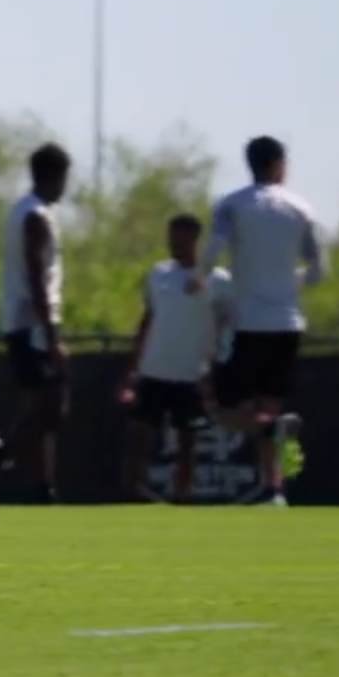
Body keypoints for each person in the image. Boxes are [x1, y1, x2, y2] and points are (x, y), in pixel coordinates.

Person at [190, 135, 324, 507]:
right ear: (279, 164)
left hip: (249, 322)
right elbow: (317, 271)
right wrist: (289, 281)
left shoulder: (232, 205)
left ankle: (270, 437)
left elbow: (214, 250)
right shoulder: (300, 208)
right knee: (270, 403)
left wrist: (202, 277)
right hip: (288, 323)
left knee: (223, 408)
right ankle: (274, 490)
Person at [0, 143, 71, 506]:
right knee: (51, 409)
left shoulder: (22, 210)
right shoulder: (36, 216)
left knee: (40, 411)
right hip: (32, 324)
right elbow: (37, 278)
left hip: (23, 322)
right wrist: (52, 336)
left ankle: (43, 491)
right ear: (55, 176)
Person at [119, 214, 232, 504]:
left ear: (195, 238)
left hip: (190, 372)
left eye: (180, 237)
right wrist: (132, 371)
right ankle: (132, 493)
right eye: (171, 236)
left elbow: (225, 323)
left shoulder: (216, 280)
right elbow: (148, 319)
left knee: (187, 442)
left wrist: (217, 366)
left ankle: (183, 496)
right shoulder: (158, 274)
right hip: (154, 370)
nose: (174, 243)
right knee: (139, 437)